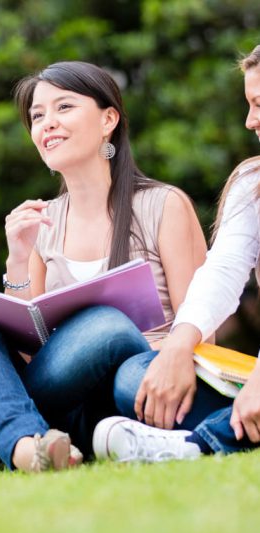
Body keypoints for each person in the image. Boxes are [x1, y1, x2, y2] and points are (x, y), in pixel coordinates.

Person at [0, 60, 208, 473]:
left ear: (109, 119)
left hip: (139, 383)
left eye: (64, 108)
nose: (47, 124)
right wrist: (17, 259)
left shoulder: (164, 205)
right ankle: (26, 446)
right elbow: (27, 348)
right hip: (68, 402)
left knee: (105, 325)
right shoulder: (43, 223)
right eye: (38, 116)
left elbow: (204, 326)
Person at [93, 44, 260, 463]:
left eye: (259, 104)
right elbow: (223, 270)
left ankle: (193, 446)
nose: (250, 120)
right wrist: (176, 349)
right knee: (138, 378)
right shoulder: (253, 183)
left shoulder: (161, 204)